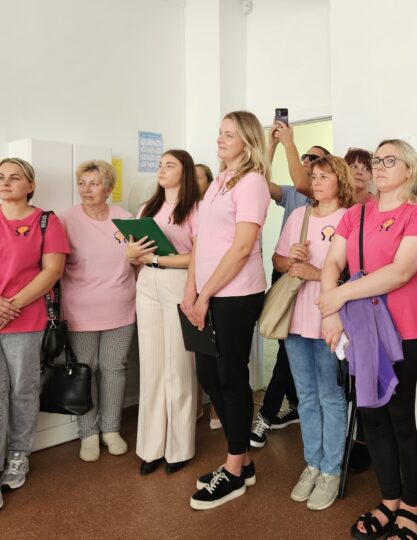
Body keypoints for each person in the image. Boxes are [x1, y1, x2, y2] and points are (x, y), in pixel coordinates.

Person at [317, 140, 417, 539]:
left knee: (404, 417)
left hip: (408, 327)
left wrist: (338, 296)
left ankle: (412, 509)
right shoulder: (356, 213)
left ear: (409, 169)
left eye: (391, 160)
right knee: (372, 416)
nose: (380, 166)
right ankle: (389, 501)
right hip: (362, 329)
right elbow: (333, 263)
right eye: (377, 160)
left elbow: (400, 272)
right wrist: (331, 310)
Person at [182, 110, 271, 509]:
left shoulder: (253, 183)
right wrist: (191, 290)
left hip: (236, 295)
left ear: (248, 143)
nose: (219, 139)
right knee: (207, 373)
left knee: (230, 376)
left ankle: (234, 469)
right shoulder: (219, 182)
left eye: (229, 134)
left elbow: (242, 247)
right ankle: (244, 460)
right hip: (207, 292)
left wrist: (206, 295)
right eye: (219, 132)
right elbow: (200, 240)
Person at [275, 155, 353, 510]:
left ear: (340, 180)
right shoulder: (298, 216)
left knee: (330, 396)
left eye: (324, 176)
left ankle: (331, 471)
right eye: (314, 176)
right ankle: (313, 465)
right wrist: (290, 259)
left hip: (330, 319)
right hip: (295, 319)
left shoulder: (350, 218)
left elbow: (358, 273)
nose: (316, 181)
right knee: (305, 397)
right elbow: (277, 261)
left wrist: (317, 273)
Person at [249, 120, 330, 448]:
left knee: (289, 351)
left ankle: (266, 415)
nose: (308, 161)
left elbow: (302, 181)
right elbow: (259, 182)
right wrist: (270, 145)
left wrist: (290, 144)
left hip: (314, 280)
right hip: (285, 275)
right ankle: (293, 404)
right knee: (288, 348)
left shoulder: (309, 190)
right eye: (305, 157)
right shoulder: (292, 196)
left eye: (315, 158)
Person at [125, 149, 199, 475]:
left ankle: (179, 448)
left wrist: (156, 258)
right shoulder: (147, 207)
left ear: (185, 171)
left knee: (178, 367)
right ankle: (151, 446)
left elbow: (198, 256)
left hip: (178, 283)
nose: (162, 169)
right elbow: (134, 252)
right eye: (160, 164)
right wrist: (131, 252)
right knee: (152, 366)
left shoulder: (196, 208)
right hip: (147, 285)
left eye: (170, 165)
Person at [0, 158, 69, 508]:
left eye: (15, 177)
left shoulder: (46, 221)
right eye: (1, 177)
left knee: (22, 390)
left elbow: (52, 270)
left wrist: (10, 306)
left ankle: (18, 454)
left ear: (31, 185)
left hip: (25, 320)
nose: (6, 182)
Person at [60, 160, 136, 462]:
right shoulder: (66, 220)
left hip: (121, 306)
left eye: (93, 183)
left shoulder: (125, 218)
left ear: (108, 187)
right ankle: (88, 433)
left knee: (114, 368)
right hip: (80, 310)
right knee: (85, 370)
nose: (86, 189)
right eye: (82, 183)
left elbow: (138, 260)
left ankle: (111, 429)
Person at [343, 147, 374, 474]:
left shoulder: (379, 209)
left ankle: (365, 441)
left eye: (366, 166)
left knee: (366, 373)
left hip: (369, 301)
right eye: (353, 166)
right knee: (343, 379)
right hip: (337, 300)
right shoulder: (338, 208)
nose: (360, 171)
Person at [193, 163, 221, 431]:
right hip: (193, 285)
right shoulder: (185, 208)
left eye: (199, 177)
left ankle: (217, 409)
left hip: (221, 285)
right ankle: (196, 407)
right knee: (200, 354)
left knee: (221, 356)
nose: (193, 180)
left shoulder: (215, 207)